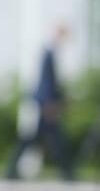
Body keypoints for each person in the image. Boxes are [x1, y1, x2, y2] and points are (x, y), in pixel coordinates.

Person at [6, 23, 74, 181]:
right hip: (46, 104)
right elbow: (47, 82)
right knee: (50, 139)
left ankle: (67, 173)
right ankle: (67, 173)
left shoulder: (51, 52)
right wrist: (49, 103)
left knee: (35, 138)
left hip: (45, 102)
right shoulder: (49, 53)